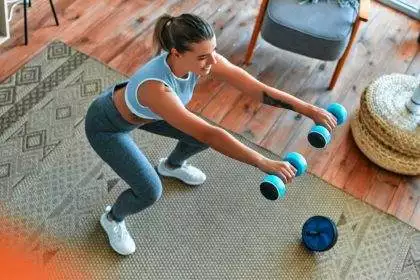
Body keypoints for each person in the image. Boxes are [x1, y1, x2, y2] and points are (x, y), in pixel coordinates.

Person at [84, 13, 337, 256]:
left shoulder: (201, 61)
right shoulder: (156, 89)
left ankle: (171, 165)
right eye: (204, 56)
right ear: (176, 53)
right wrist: (262, 161)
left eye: (213, 51)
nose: (213, 61)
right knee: (150, 190)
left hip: (146, 115)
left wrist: (309, 110)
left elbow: (259, 90)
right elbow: (211, 135)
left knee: (195, 137)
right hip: (107, 125)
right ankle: (112, 218)